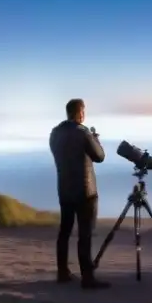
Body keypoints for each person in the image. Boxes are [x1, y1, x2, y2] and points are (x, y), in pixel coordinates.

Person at [49, 98, 109, 289]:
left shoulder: (54, 133)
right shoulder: (83, 133)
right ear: (80, 113)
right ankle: (87, 278)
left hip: (64, 189)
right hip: (85, 191)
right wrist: (95, 138)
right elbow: (99, 157)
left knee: (64, 231)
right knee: (85, 234)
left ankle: (62, 272)